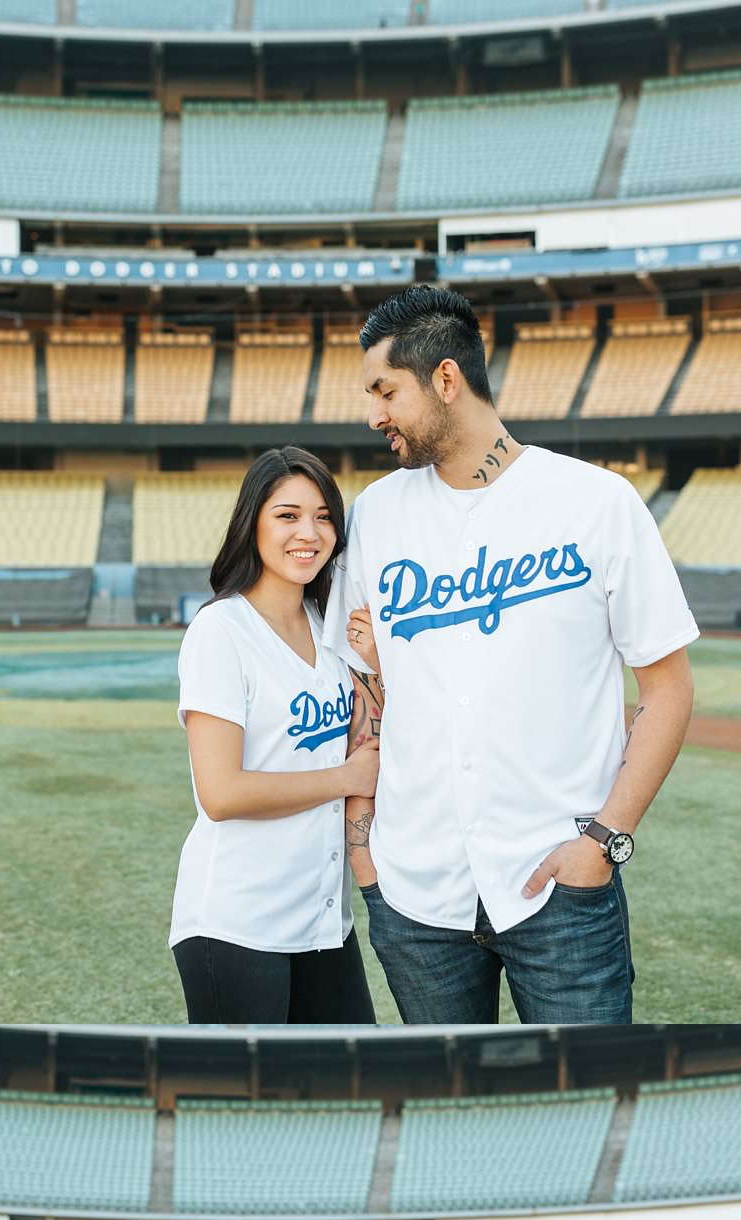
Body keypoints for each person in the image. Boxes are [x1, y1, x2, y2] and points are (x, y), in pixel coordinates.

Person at [323, 285, 699, 1026]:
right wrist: (367, 859)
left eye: (385, 390)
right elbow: (365, 693)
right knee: (452, 1118)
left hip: (558, 886)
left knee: (586, 1110)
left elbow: (669, 688)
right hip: (416, 893)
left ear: (446, 380)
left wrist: (603, 842)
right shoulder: (373, 517)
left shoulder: (596, 502)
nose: (374, 415)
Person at [169, 447, 380, 1024]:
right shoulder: (221, 630)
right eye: (287, 515)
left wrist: (376, 665)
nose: (307, 532)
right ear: (252, 523)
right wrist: (345, 778)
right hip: (236, 922)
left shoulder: (328, 630)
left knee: (345, 1097)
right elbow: (222, 793)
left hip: (322, 921)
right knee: (243, 1109)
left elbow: (374, 740)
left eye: (322, 516)